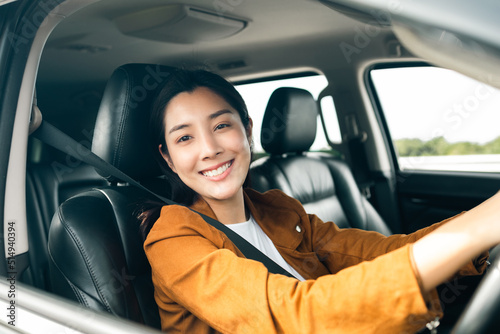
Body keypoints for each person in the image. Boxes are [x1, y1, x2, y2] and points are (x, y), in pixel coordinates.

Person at [141, 68, 496, 334]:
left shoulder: (278, 209)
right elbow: (291, 315)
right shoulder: (172, 238)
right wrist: (474, 231)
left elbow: (384, 253)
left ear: (247, 130)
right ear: (168, 158)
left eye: (221, 126)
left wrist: (484, 228)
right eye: (185, 138)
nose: (209, 149)